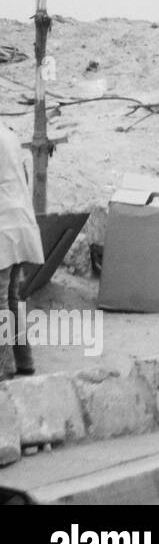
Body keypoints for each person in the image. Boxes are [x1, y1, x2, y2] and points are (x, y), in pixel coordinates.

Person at [1, 124, 43, 378]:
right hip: (20, 222)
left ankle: (4, 366)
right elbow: (24, 178)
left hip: (4, 226)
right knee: (12, 296)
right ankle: (24, 362)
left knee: (1, 300)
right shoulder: (9, 134)